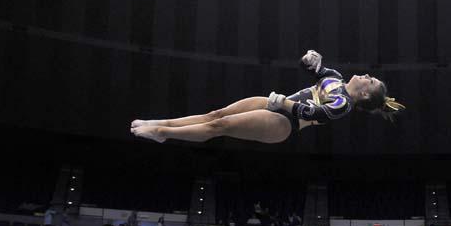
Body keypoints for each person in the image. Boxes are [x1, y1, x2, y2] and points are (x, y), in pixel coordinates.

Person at [131, 50, 404, 144]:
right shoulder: (335, 76)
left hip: (284, 124)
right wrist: (310, 59)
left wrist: (283, 103)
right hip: (277, 104)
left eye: (371, 80)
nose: (367, 76)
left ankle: (162, 132)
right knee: (216, 115)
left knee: (219, 127)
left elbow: (312, 113)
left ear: (366, 93)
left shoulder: (343, 105)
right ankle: (162, 123)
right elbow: (313, 68)